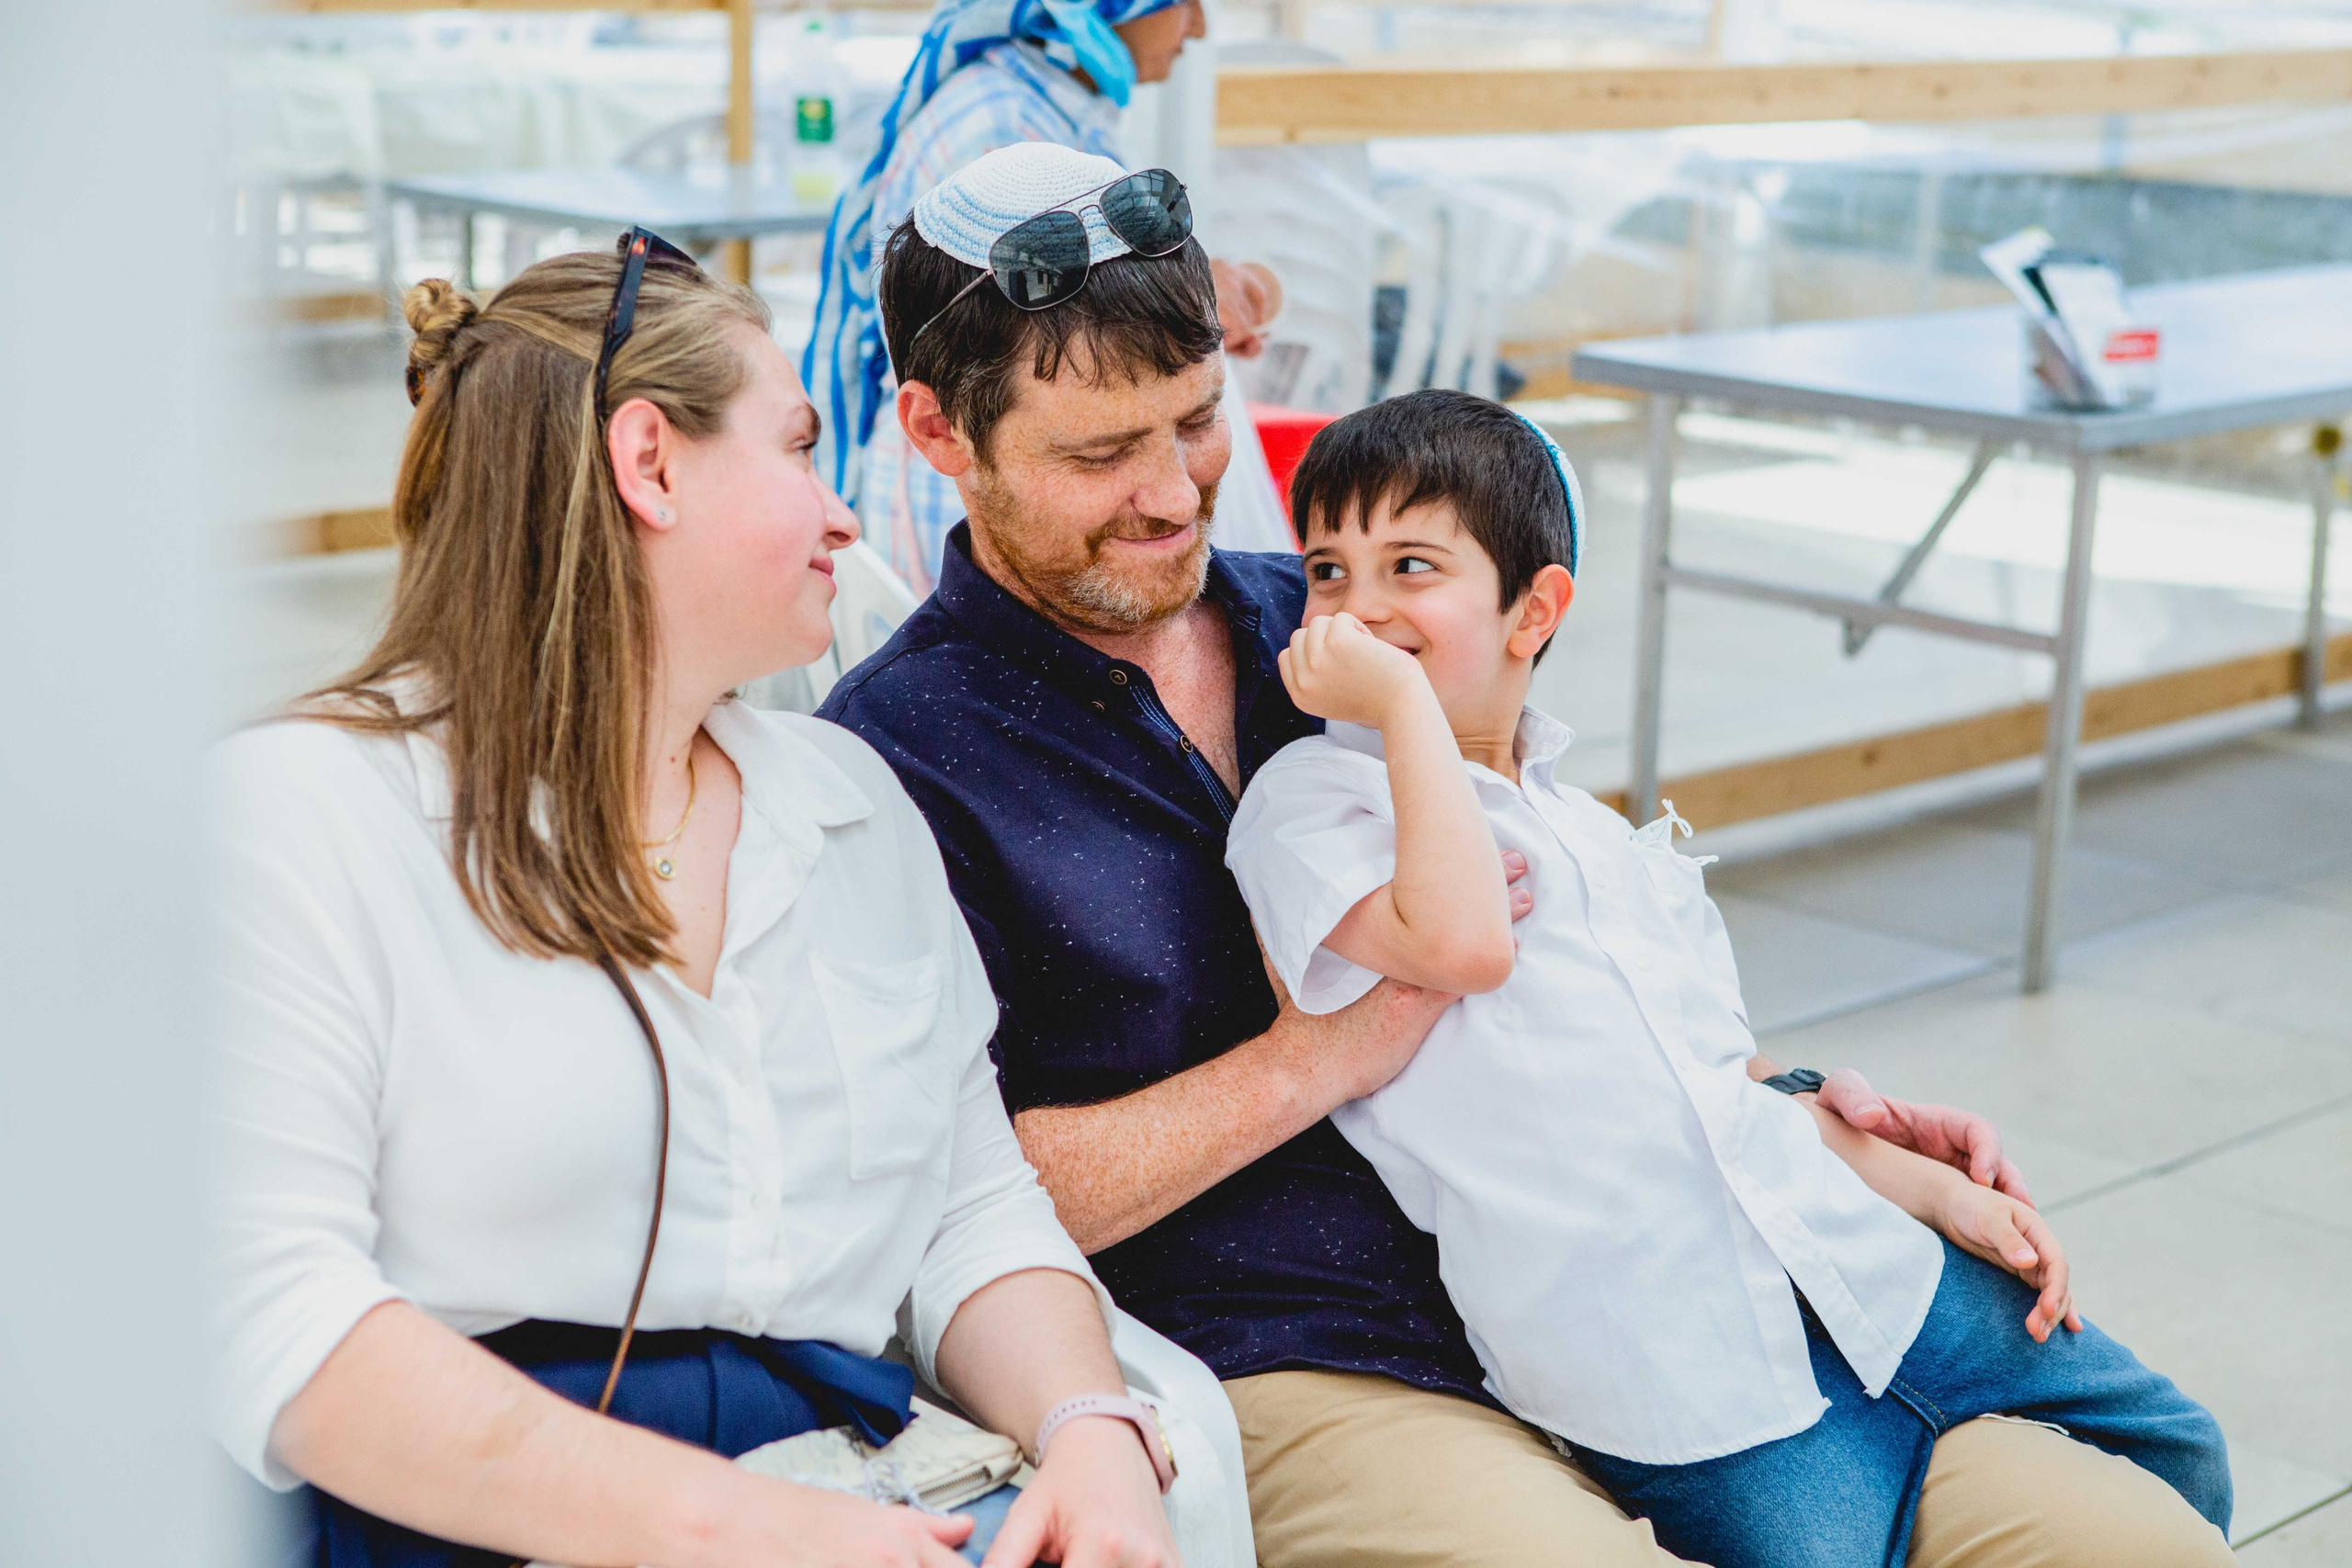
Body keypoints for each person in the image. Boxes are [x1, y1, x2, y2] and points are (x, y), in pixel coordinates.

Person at [817, 141, 2152, 1568]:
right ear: (938, 431)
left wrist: (1795, 1102)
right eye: (1099, 453)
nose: (1172, 492)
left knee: (2126, 1528)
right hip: (1304, 1348)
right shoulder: (895, 758)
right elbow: (942, 1190)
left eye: (1199, 421)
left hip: (1633, 1278)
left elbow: (1581, 936)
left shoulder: (1341, 609)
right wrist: (1326, 1050)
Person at [209, 231, 1195, 1568]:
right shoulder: (306, 815)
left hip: (856, 1482)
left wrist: (1090, 1427)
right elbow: (280, 1317)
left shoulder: (851, 805)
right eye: (797, 449)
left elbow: (972, 1208)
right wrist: (750, 1529)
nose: (844, 511)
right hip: (473, 1519)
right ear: (650, 463)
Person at [1222, 388, 2235, 1568]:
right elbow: (1461, 944)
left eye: (1409, 565)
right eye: (1329, 573)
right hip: (1668, 1373)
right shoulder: (1314, 803)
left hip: (1858, 1271)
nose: (1360, 608)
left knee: (2178, 1449)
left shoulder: (1594, 834)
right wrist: (1400, 703)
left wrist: (1933, 1192)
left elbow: (1722, 1088)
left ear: (1532, 611)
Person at [802, 0, 1290, 598]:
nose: (1199, 26)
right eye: (1180, 1)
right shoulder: (1000, 132)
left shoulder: (1058, 102)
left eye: (1198, 419)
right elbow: (1034, 354)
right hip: (963, 517)